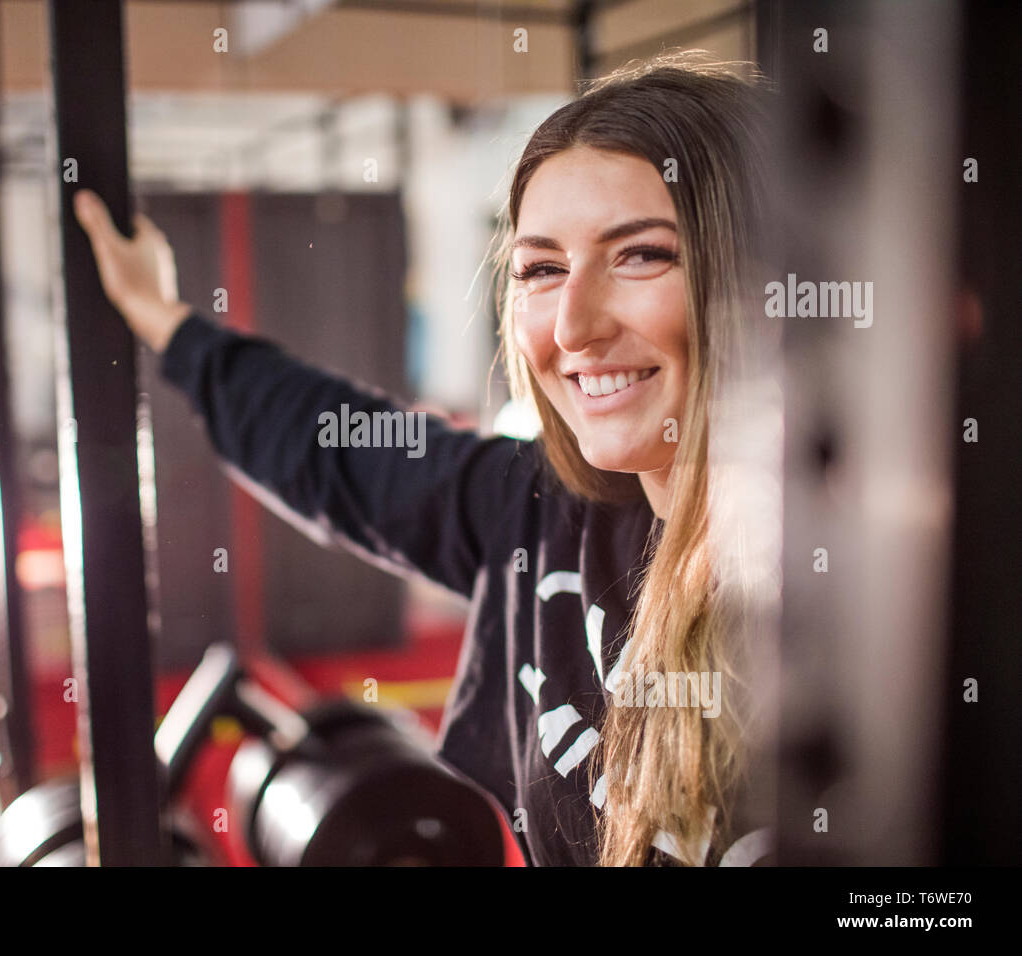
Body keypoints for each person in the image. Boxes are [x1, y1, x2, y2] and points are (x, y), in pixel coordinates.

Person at [75, 50, 775, 867]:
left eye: (641, 255)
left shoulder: (865, 591)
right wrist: (164, 319)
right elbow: (332, 445)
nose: (573, 326)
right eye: (541, 269)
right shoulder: (541, 514)